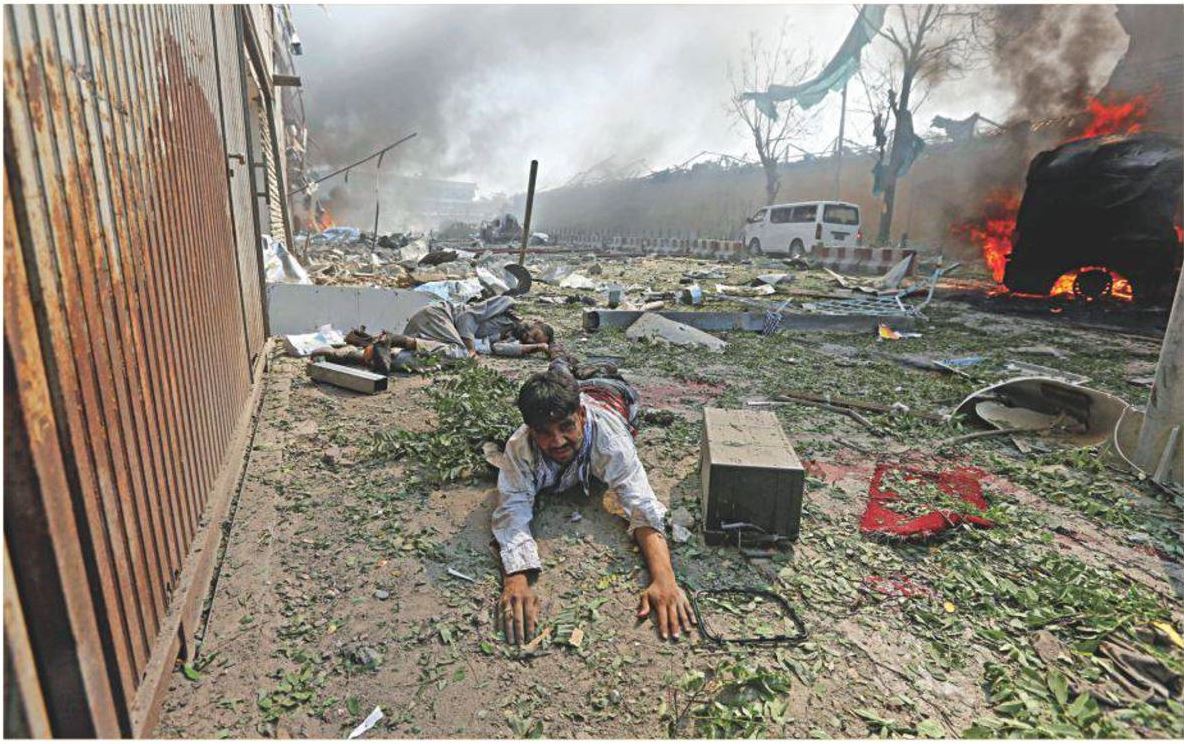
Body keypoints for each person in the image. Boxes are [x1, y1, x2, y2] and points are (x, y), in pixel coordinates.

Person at [491, 358, 694, 645]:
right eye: (545, 433)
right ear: (531, 430)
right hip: (581, 394)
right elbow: (511, 508)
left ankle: (588, 370)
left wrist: (664, 579)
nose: (558, 441)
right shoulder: (520, 445)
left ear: (582, 416)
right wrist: (516, 578)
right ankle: (567, 370)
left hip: (611, 396)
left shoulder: (610, 440)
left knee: (605, 383)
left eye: (566, 427)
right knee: (568, 385)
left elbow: (641, 505)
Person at [391, 296, 553, 360]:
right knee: (462, 354)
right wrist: (470, 349)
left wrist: (537, 347)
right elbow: (466, 317)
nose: (528, 337)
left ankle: (389, 348)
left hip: (434, 331)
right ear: (537, 322)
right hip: (438, 316)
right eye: (534, 335)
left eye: (531, 341)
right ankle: (400, 341)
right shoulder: (506, 305)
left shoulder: (510, 334)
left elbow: (497, 348)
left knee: (430, 360)